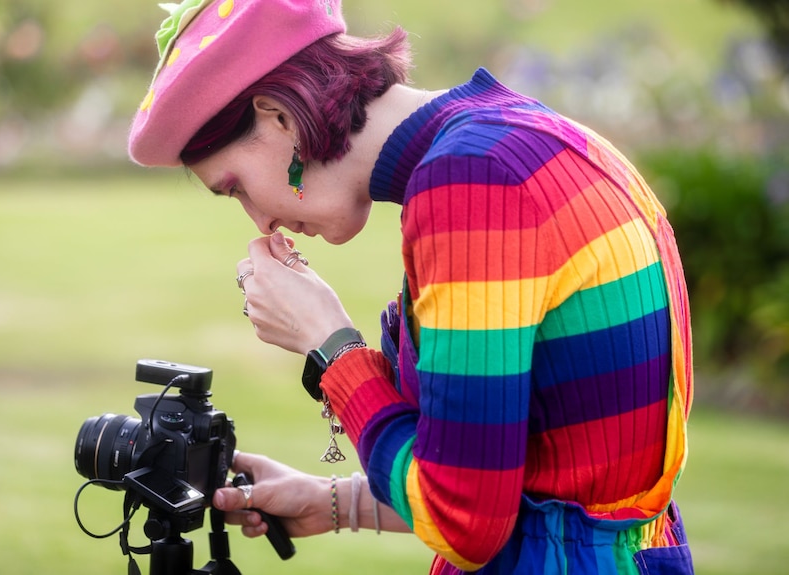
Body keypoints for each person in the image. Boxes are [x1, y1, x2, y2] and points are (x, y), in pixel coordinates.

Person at [127, 0, 695, 573]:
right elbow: (529, 481)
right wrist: (336, 501)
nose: (260, 221)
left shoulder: (471, 180)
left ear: (278, 116)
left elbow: (467, 522)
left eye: (237, 186)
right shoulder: (515, 135)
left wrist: (331, 346)